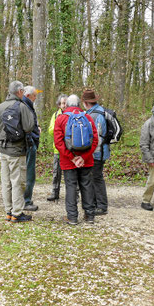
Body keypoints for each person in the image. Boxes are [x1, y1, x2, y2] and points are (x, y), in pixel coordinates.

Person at [0, 81, 36, 222]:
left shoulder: (0, 107)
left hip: (3, 150)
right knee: (18, 182)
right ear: (19, 92)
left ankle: (8, 211)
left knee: (6, 182)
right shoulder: (21, 106)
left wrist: (0, 146)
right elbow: (29, 126)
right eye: (22, 91)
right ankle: (17, 213)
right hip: (17, 151)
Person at [54, 94, 98, 225]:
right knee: (87, 186)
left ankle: (72, 217)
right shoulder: (88, 118)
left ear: (66, 105)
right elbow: (95, 140)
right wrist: (83, 157)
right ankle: (90, 216)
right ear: (79, 104)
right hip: (87, 160)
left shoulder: (61, 119)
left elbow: (58, 142)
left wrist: (72, 158)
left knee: (71, 187)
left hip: (68, 161)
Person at [82, 88, 110, 216]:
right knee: (94, 178)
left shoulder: (95, 115)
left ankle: (102, 206)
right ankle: (94, 203)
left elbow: (97, 137)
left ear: (86, 103)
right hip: (100, 151)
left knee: (97, 178)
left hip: (97, 152)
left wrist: (90, 153)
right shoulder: (100, 111)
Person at [22, 86, 41, 211]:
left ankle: (24, 199)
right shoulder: (25, 106)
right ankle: (26, 201)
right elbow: (26, 127)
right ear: (28, 96)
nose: (36, 97)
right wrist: (32, 141)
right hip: (29, 144)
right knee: (28, 174)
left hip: (29, 142)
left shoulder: (27, 105)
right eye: (34, 95)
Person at [47, 94, 68, 201]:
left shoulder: (72, 114)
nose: (63, 105)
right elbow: (51, 130)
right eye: (61, 103)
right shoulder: (55, 115)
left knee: (70, 174)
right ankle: (55, 193)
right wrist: (59, 127)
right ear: (58, 105)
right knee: (56, 173)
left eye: (65, 103)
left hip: (69, 149)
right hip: (58, 149)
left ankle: (73, 194)